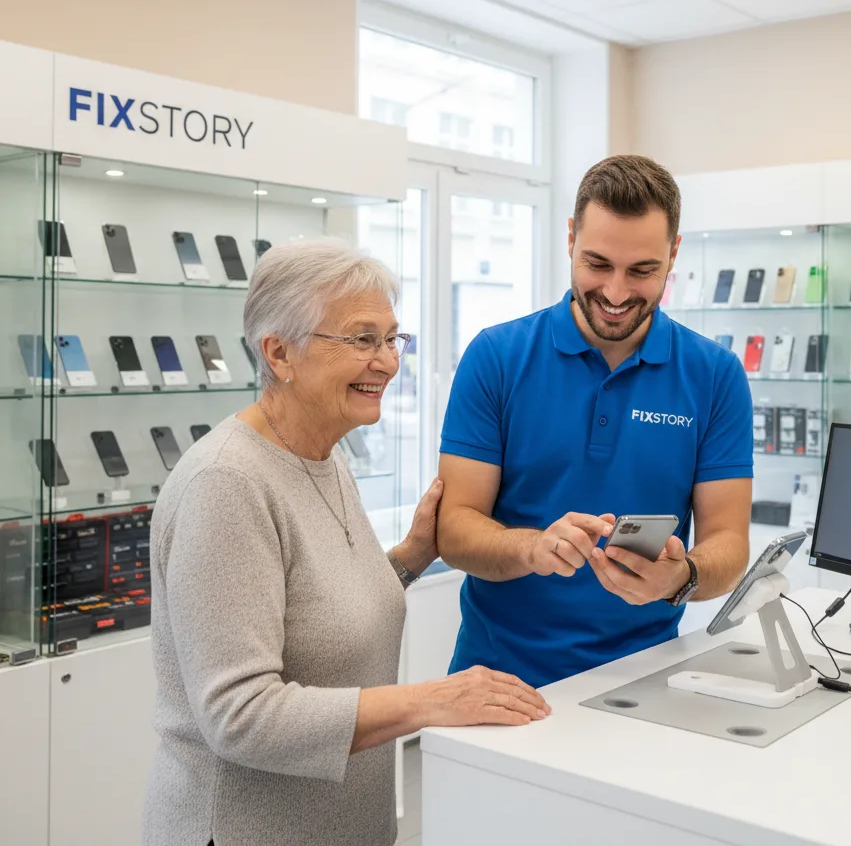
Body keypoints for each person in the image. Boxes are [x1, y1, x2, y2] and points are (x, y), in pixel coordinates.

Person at [142, 239, 549, 846]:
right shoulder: (226, 484)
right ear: (279, 352)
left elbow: (313, 609)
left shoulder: (324, 455)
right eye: (362, 339)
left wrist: (413, 556)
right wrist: (431, 701)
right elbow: (240, 714)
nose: (387, 362)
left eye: (392, 339)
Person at [437, 155, 754, 688]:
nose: (614, 293)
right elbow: (454, 529)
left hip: (644, 681)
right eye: (597, 264)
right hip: (497, 681)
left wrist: (683, 576)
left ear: (674, 254)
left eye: (642, 271)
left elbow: (728, 540)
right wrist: (532, 548)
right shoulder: (496, 357)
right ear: (570, 238)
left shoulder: (715, 375)